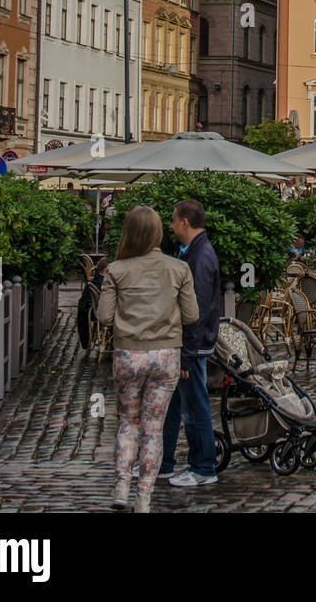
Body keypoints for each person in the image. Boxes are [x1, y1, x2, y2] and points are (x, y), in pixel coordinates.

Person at [97, 205, 199, 513]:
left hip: (129, 353)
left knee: (128, 422)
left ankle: (121, 486)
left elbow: (103, 317)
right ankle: (143, 498)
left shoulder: (116, 270)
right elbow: (192, 315)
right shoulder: (178, 269)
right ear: (156, 232)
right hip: (166, 355)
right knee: (153, 427)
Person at [160, 199, 221, 489]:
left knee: (194, 407)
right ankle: (164, 462)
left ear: (185, 222)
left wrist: (186, 353)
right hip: (186, 345)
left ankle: (203, 467)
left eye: (173, 220)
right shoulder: (193, 252)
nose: (170, 225)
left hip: (191, 346)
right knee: (174, 405)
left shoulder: (199, 257)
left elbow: (195, 311)